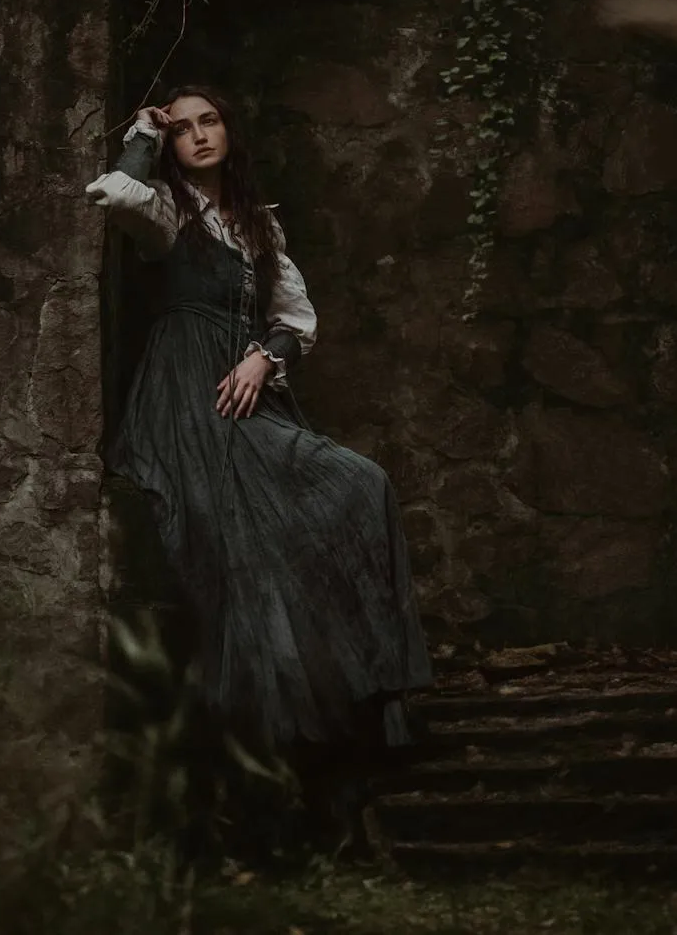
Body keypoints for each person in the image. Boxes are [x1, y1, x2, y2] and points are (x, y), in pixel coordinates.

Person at [85, 85, 432, 808]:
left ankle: (360, 705)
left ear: (229, 130)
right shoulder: (167, 207)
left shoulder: (258, 228)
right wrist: (143, 132)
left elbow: (297, 320)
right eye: (182, 128)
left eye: (209, 121)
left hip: (244, 388)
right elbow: (113, 194)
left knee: (359, 484)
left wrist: (260, 359)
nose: (199, 136)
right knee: (238, 530)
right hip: (183, 397)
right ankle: (268, 747)